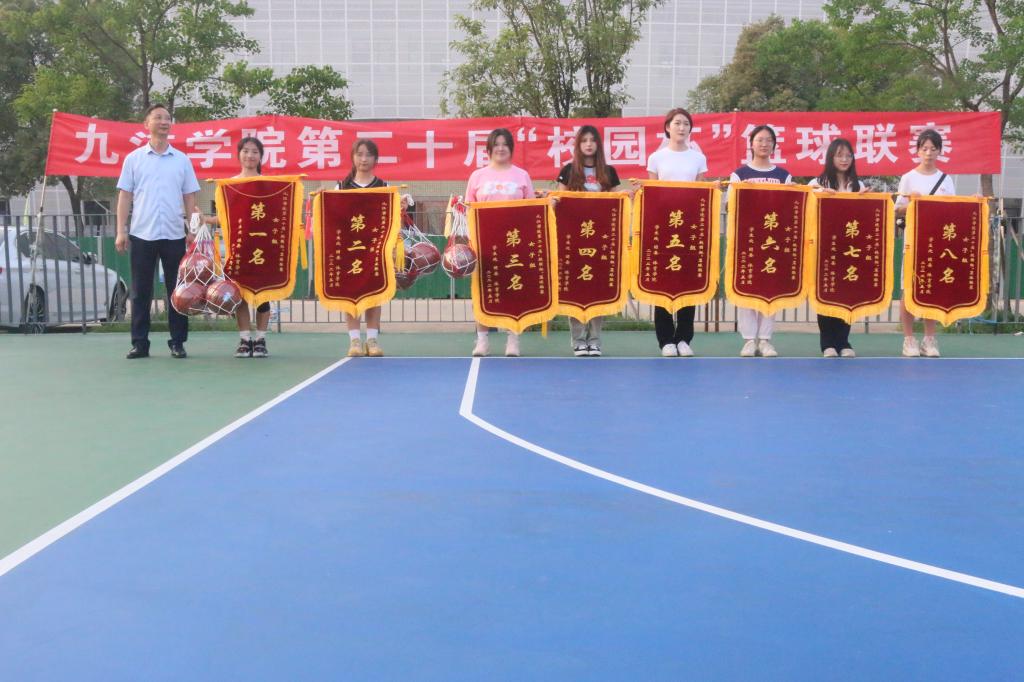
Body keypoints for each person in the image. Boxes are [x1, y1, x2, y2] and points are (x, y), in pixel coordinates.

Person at [115, 103, 201, 359]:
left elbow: (190, 197)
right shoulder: (134, 159)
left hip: (174, 234)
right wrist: (121, 231)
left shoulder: (182, 160)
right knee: (140, 291)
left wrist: (192, 229)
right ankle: (140, 343)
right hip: (142, 234)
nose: (164, 122)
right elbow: (125, 196)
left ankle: (178, 342)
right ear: (146, 124)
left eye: (167, 118)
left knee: (178, 291)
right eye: (158, 117)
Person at [643, 107, 709, 357]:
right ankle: (666, 340)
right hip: (663, 227)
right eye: (677, 123)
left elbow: (702, 193)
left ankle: (684, 338)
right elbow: (652, 193)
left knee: (687, 281)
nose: (682, 128)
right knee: (662, 282)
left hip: (689, 227)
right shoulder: (656, 158)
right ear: (667, 127)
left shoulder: (698, 158)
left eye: (686, 124)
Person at [466, 128, 536, 357]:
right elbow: (468, 209)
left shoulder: (522, 175)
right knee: (483, 290)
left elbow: (532, 209)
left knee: (513, 289)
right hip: (484, 242)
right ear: (488, 149)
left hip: (514, 242)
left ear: (511, 149)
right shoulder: (477, 176)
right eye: (496, 144)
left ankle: (513, 340)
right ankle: (482, 341)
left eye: (505, 144)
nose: (501, 148)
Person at [204, 137, 274, 358]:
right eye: (246, 151)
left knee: (262, 294)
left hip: (262, 246)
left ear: (260, 157)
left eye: (254, 152)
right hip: (239, 246)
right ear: (239, 154)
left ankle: (260, 339)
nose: (250, 155)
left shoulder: (270, 184)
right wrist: (207, 219)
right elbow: (225, 216)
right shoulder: (229, 185)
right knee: (239, 293)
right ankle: (245, 340)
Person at [337, 138, 407, 357]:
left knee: (374, 294)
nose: (364, 159)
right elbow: (333, 217)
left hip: (376, 249)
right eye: (359, 154)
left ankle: (372, 339)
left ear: (376, 159)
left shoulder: (385, 187)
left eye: (368, 155)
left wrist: (401, 207)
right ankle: (354, 341)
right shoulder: (341, 187)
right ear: (353, 157)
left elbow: (393, 219)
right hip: (350, 249)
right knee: (352, 296)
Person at [555, 124, 621, 357]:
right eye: (584, 140)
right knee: (576, 289)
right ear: (578, 145)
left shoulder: (609, 172)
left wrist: (628, 196)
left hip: (600, 240)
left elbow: (618, 201)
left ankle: (595, 340)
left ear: (598, 144)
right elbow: (560, 199)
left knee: (597, 289)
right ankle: (578, 340)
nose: (589, 144)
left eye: (593, 140)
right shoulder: (568, 171)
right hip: (574, 240)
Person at [728, 124, 793, 358]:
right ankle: (748, 340)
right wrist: (741, 192)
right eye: (760, 140)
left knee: (770, 289)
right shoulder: (739, 174)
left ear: (774, 145)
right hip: (747, 240)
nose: (764, 144)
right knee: (746, 287)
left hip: (774, 241)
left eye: (768, 140)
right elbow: (730, 205)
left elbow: (791, 207)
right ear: (751, 144)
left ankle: (765, 340)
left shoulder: (783, 176)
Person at [895, 128, 956, 358]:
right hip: (913, 241)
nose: (928, 153)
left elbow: (954, 209)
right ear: (918, 151)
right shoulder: (908, 177)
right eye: (924, 148)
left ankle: (930, 339)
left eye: (933, 148)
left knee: (932, 289)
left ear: (939, 151)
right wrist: (913, 202)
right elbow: (897, 209)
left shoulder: (946, 179)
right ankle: (908, 339)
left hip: (937, 242)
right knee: (908, 288)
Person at [808, 138, 863, 358]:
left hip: (850, 249)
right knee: (825, 294)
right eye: (840, 155)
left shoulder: (858, 186)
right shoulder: (817, 183)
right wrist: (820, 196)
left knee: (847, 294)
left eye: (848, 155)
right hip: (824, 249)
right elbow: (806, 210)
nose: (844, 159)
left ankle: (843, 341)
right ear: (831, 157)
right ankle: (827, 343)